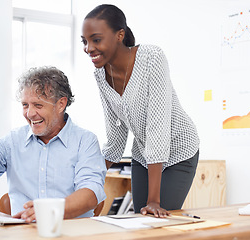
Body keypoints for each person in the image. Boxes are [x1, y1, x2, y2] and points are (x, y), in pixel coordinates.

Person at [81, 4, 200, 218]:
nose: (88, 48)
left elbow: (157, 126)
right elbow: (115, 135)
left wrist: (154, 200)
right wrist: (92, 183)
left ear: (120, 35)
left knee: (157, 221)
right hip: (144, 155)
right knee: (139, 221)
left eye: (96, 40)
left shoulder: (151, 58)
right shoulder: (101, 75)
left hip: (179, 149)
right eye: (85, 41)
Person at [0, 66, 106, 222]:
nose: (29, 114)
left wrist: (51, 211)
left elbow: (90, 193)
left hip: (72, 233)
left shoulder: (85, 141)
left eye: (38, 105)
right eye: (25, 105)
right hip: (23, 233)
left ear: (61, 104)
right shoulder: (13, 140)